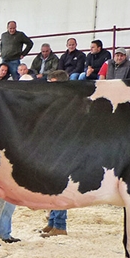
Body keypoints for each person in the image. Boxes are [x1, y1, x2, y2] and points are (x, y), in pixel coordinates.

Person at [42, 70, 70, 236]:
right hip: (53, 145)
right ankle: (52, 222)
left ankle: (60, 225)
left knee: (59, 185)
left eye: (52, 82)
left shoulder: (66, 101)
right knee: (51, 185)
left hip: (63, 146)